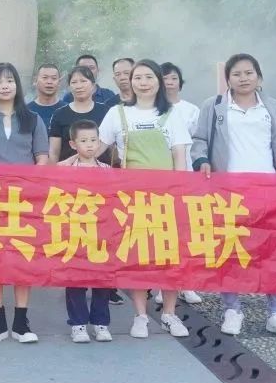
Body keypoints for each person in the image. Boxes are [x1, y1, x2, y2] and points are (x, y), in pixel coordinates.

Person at [192, 53, 276, 339]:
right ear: (227, 79)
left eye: (249, 73)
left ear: (259, 77)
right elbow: (199, 139)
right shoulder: (214, 106)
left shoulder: (270, 106)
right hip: (229, 191)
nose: (243, 78)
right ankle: (232, 309)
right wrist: (201, 160)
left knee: (272, 250)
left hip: (269, 190)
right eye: (236, 74)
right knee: (231, 249)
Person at [78, 59, 191, 339]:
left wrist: (180, 193)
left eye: (148, 77)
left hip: (167, 197)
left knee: (169, 257)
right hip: (132, 198)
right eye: (137, 77)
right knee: (138, 257)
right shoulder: (118, 113)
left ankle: (169, 313)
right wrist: (69, 166)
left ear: (158, 81)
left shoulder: (172, 114)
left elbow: (179, 156)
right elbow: (95, 148)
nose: (143, 82)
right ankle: (140, 315)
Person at [0, 62, 50, 344]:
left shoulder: (33, 119)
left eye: (10, 80)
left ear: (18, 85)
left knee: (23, 258)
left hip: (24, 201)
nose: (5, 86)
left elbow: (41, 160)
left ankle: (21, 321)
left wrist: (30, 189)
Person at [48, 65, 124, 305]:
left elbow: (114, 145)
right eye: (74, 82)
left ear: (94, 84)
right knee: (75, 239)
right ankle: (76, 287)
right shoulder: (60, 114)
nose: (79, 85)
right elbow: (54, 151)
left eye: (84, 81)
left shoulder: (107, 111)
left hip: (102, 185)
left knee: (103, 237)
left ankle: (106, 288)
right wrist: (55, 176)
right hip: (70, 185)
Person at [57, 119, 113, 343]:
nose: (89, 145)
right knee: (75, 278)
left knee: (102, 279)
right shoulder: (65, 169)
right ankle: (78, 324)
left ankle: (101, 323)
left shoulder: (107, 170)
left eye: (93, 140)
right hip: (75, 231)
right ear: (73, 144)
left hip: (101, 232)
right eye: (83, 141)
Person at [159, 62, 203, 307]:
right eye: (164, 78)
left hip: (186, 178)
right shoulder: (151, 110)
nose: (169, 82)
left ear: (180, 82)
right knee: (162, 233)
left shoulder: (191, 110)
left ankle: (187, 283)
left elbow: (198, 144)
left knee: (186, 234)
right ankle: (161, 284)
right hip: (159, 180)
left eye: (173, 78)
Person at [27, 63, 64, 127]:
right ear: (36, 80)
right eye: (45, 78)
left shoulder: (67, 109)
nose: (49, 82)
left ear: (59, 82)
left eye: (54, 78)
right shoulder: (26, 111)